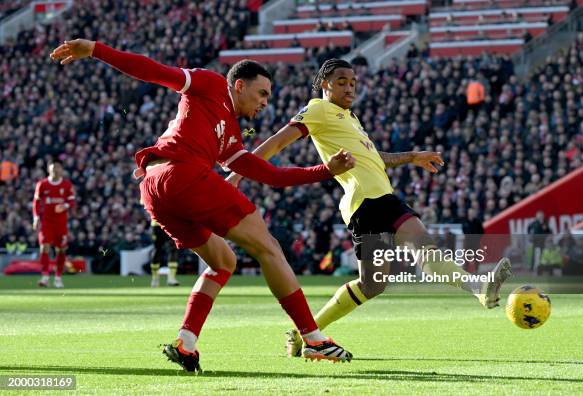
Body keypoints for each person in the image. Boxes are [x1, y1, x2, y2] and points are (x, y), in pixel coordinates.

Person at [50, 40, 356, 371]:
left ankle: (186, 342)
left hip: (154, 189)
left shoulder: (231, 137)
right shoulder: (211, 84)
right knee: (269, 247)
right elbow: (154, 72)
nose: (266, 102)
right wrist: (96, 49)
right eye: (262, 93)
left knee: (223, 261)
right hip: (183, 174)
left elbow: (272, 176)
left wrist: (325, 170)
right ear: (239, 85)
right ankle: (313, 338)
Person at [227, 59, 512, 357]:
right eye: (341, 81)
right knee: (381, 278)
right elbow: (275, 144)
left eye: (353, 82)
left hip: (384, 197)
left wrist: (412, 156)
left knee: (400, 266)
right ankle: (306, 335)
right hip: (364, 202)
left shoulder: (350, 118)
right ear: (325, 84)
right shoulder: (317, 109)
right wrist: (237, 173)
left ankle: (479, 288)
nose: (349, 87)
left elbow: (375, 157)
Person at [32, 159, 75, 288]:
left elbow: (72, 201)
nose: (55, 170)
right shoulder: (42, 184)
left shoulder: (67, 185)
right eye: (53, 168)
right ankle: (45, 276)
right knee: (44, 246)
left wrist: (65, 205)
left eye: (57, 168)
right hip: (47, 222)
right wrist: (35, 217)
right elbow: (36, 202)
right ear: (49, 170)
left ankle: (58, 277)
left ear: (61, 169)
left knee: (61, 249)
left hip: (61, 223)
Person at [150, 219, 180, 287]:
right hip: (165, 222)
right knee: (160, 249)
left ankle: (157, 279)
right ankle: (169, 278)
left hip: (161, 223)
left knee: (160, 249)